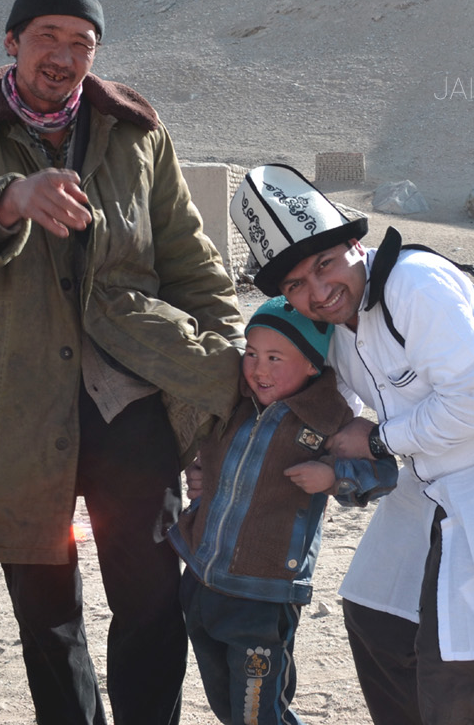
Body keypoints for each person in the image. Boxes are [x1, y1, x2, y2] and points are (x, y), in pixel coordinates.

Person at [0, 0, 244, 723]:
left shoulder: (136, 134)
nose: (63, 54)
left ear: (96, 54)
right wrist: (10, 200)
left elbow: (191, 260)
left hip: (131, 409)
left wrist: (222, 368)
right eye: (47, 36)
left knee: (152, 599)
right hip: (21, 412)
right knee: (47, 617)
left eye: (81, 41)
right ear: (13, 41)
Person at [229, 164, 474, 725]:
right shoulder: (338, 326)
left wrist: (378, 438)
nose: (318, 293)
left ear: (353, 243)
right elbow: (323, 401)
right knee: (375, 613)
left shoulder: (416, 285)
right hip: (432, 477)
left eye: (324, 265)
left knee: (459, 655)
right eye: (296, 284)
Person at [169, 296, 398, 725]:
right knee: (227, 704)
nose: (259, 369)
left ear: (312, 364)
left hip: (264, 594)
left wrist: (332, 477)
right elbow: (202, 448)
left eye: (276, 358)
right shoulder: (232, 404)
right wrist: (201, 470)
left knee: (258, 712)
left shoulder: (328, 420)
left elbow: (385, 474)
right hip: (202, 581)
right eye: (252, 354)